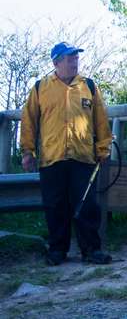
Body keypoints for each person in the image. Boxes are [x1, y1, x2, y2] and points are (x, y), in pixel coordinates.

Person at [20, 42, 113, 266]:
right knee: (55, 206)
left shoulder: (89, 86)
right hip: (52, 158)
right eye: (69, 58)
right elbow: (29, 120)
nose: (74, 61)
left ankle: (91, 250)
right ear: (56, 62)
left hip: (83, 157)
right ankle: (57, 251)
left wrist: (103, 148)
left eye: (76, 58)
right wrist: (27, 151)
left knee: (87, 205)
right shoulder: (40, 87)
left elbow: (100, 120)